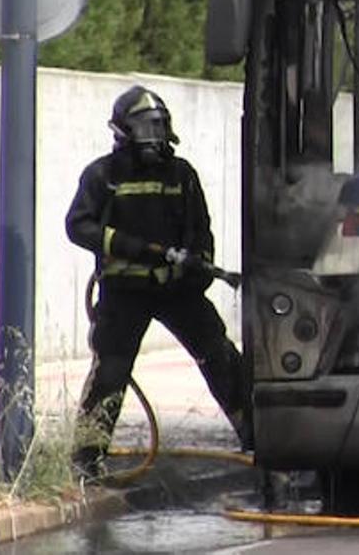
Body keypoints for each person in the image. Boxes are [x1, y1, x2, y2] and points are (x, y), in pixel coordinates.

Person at [64, 85, 252, 479]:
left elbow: (201, 229)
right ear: (123, 131)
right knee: (111, 373)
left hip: (177, 291)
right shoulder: (102, 176)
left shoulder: (181, 174)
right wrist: (131, 247)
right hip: (124, 294)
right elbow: (78, 226)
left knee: (219, 355)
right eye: (146, 126)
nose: (154, 135)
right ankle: (87, 459)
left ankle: (256, 435)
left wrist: (197, 266)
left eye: (159, 126)